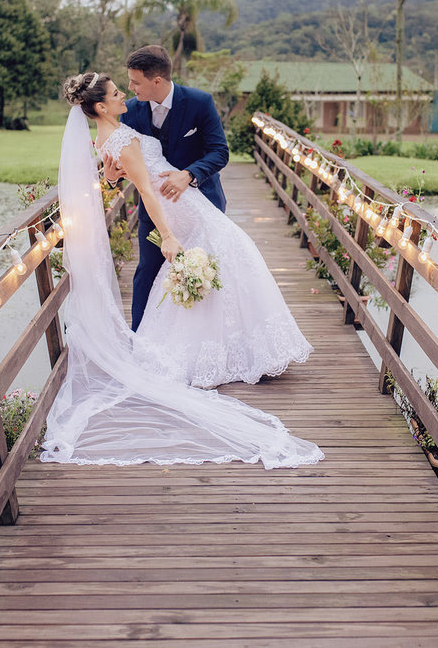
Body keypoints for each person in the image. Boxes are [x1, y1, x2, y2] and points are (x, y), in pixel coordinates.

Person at [39, 71, 321, 468]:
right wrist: (168, 236)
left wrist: (113, 174)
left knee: (233, 252)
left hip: (186, 197)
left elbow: (120, 172)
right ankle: (225, 350)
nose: (125, 96)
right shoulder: (121, 136)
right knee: (233, 250)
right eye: (117, 93)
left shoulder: (109, 134)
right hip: (175, 208)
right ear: (100, 106)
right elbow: (146, 190)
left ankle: (227, 346)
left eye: (126, 87)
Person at [104, 45, 229, 332]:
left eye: (135, 81)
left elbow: (220, 152)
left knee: (205, 274)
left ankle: (203, 336)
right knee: (147, 272)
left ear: (157, 81)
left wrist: (189, 174)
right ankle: (139, 339)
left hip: (200, 206)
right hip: (155, 211)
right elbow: (126, 161)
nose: (130, 87)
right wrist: (112, 178)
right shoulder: (130, 111)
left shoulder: (200, 102)